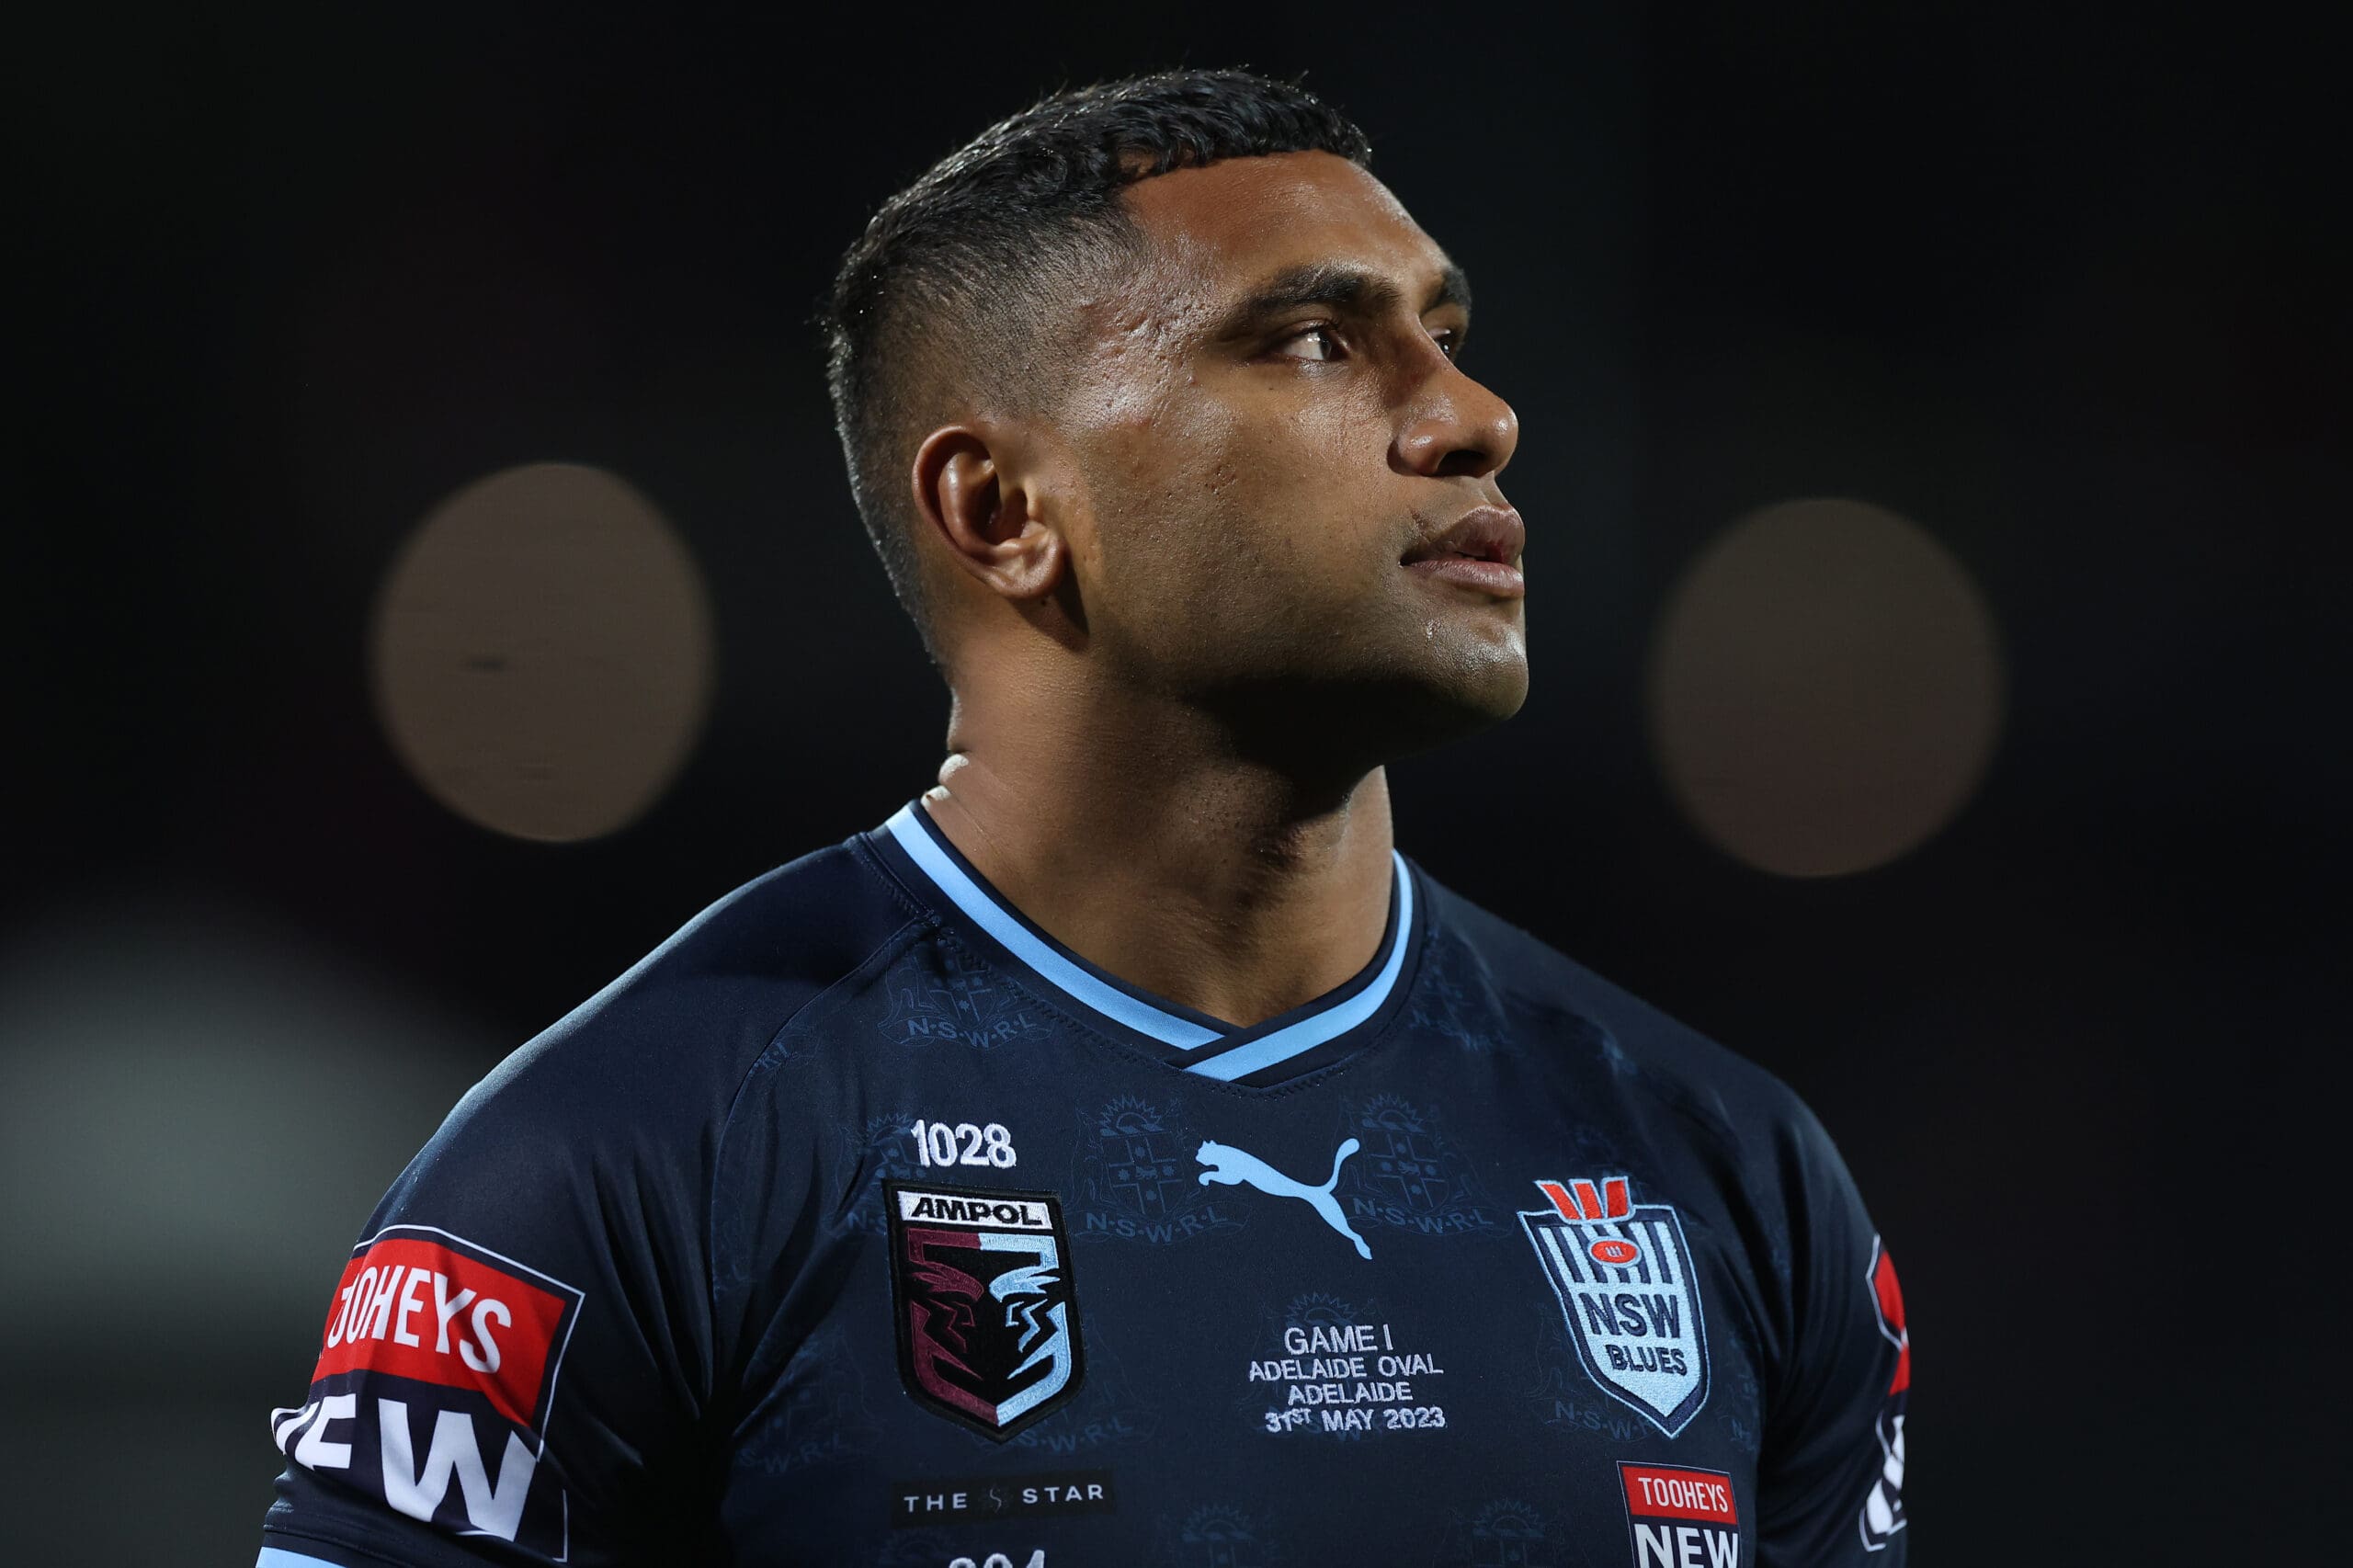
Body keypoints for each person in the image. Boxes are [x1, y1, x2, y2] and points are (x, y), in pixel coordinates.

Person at [256, 66, 1909, 1568]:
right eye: (1316, 340)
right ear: (1001, 509)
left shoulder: (1717, 1166)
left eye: (1447, 331)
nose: (1474, 415)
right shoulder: (629, 1159)